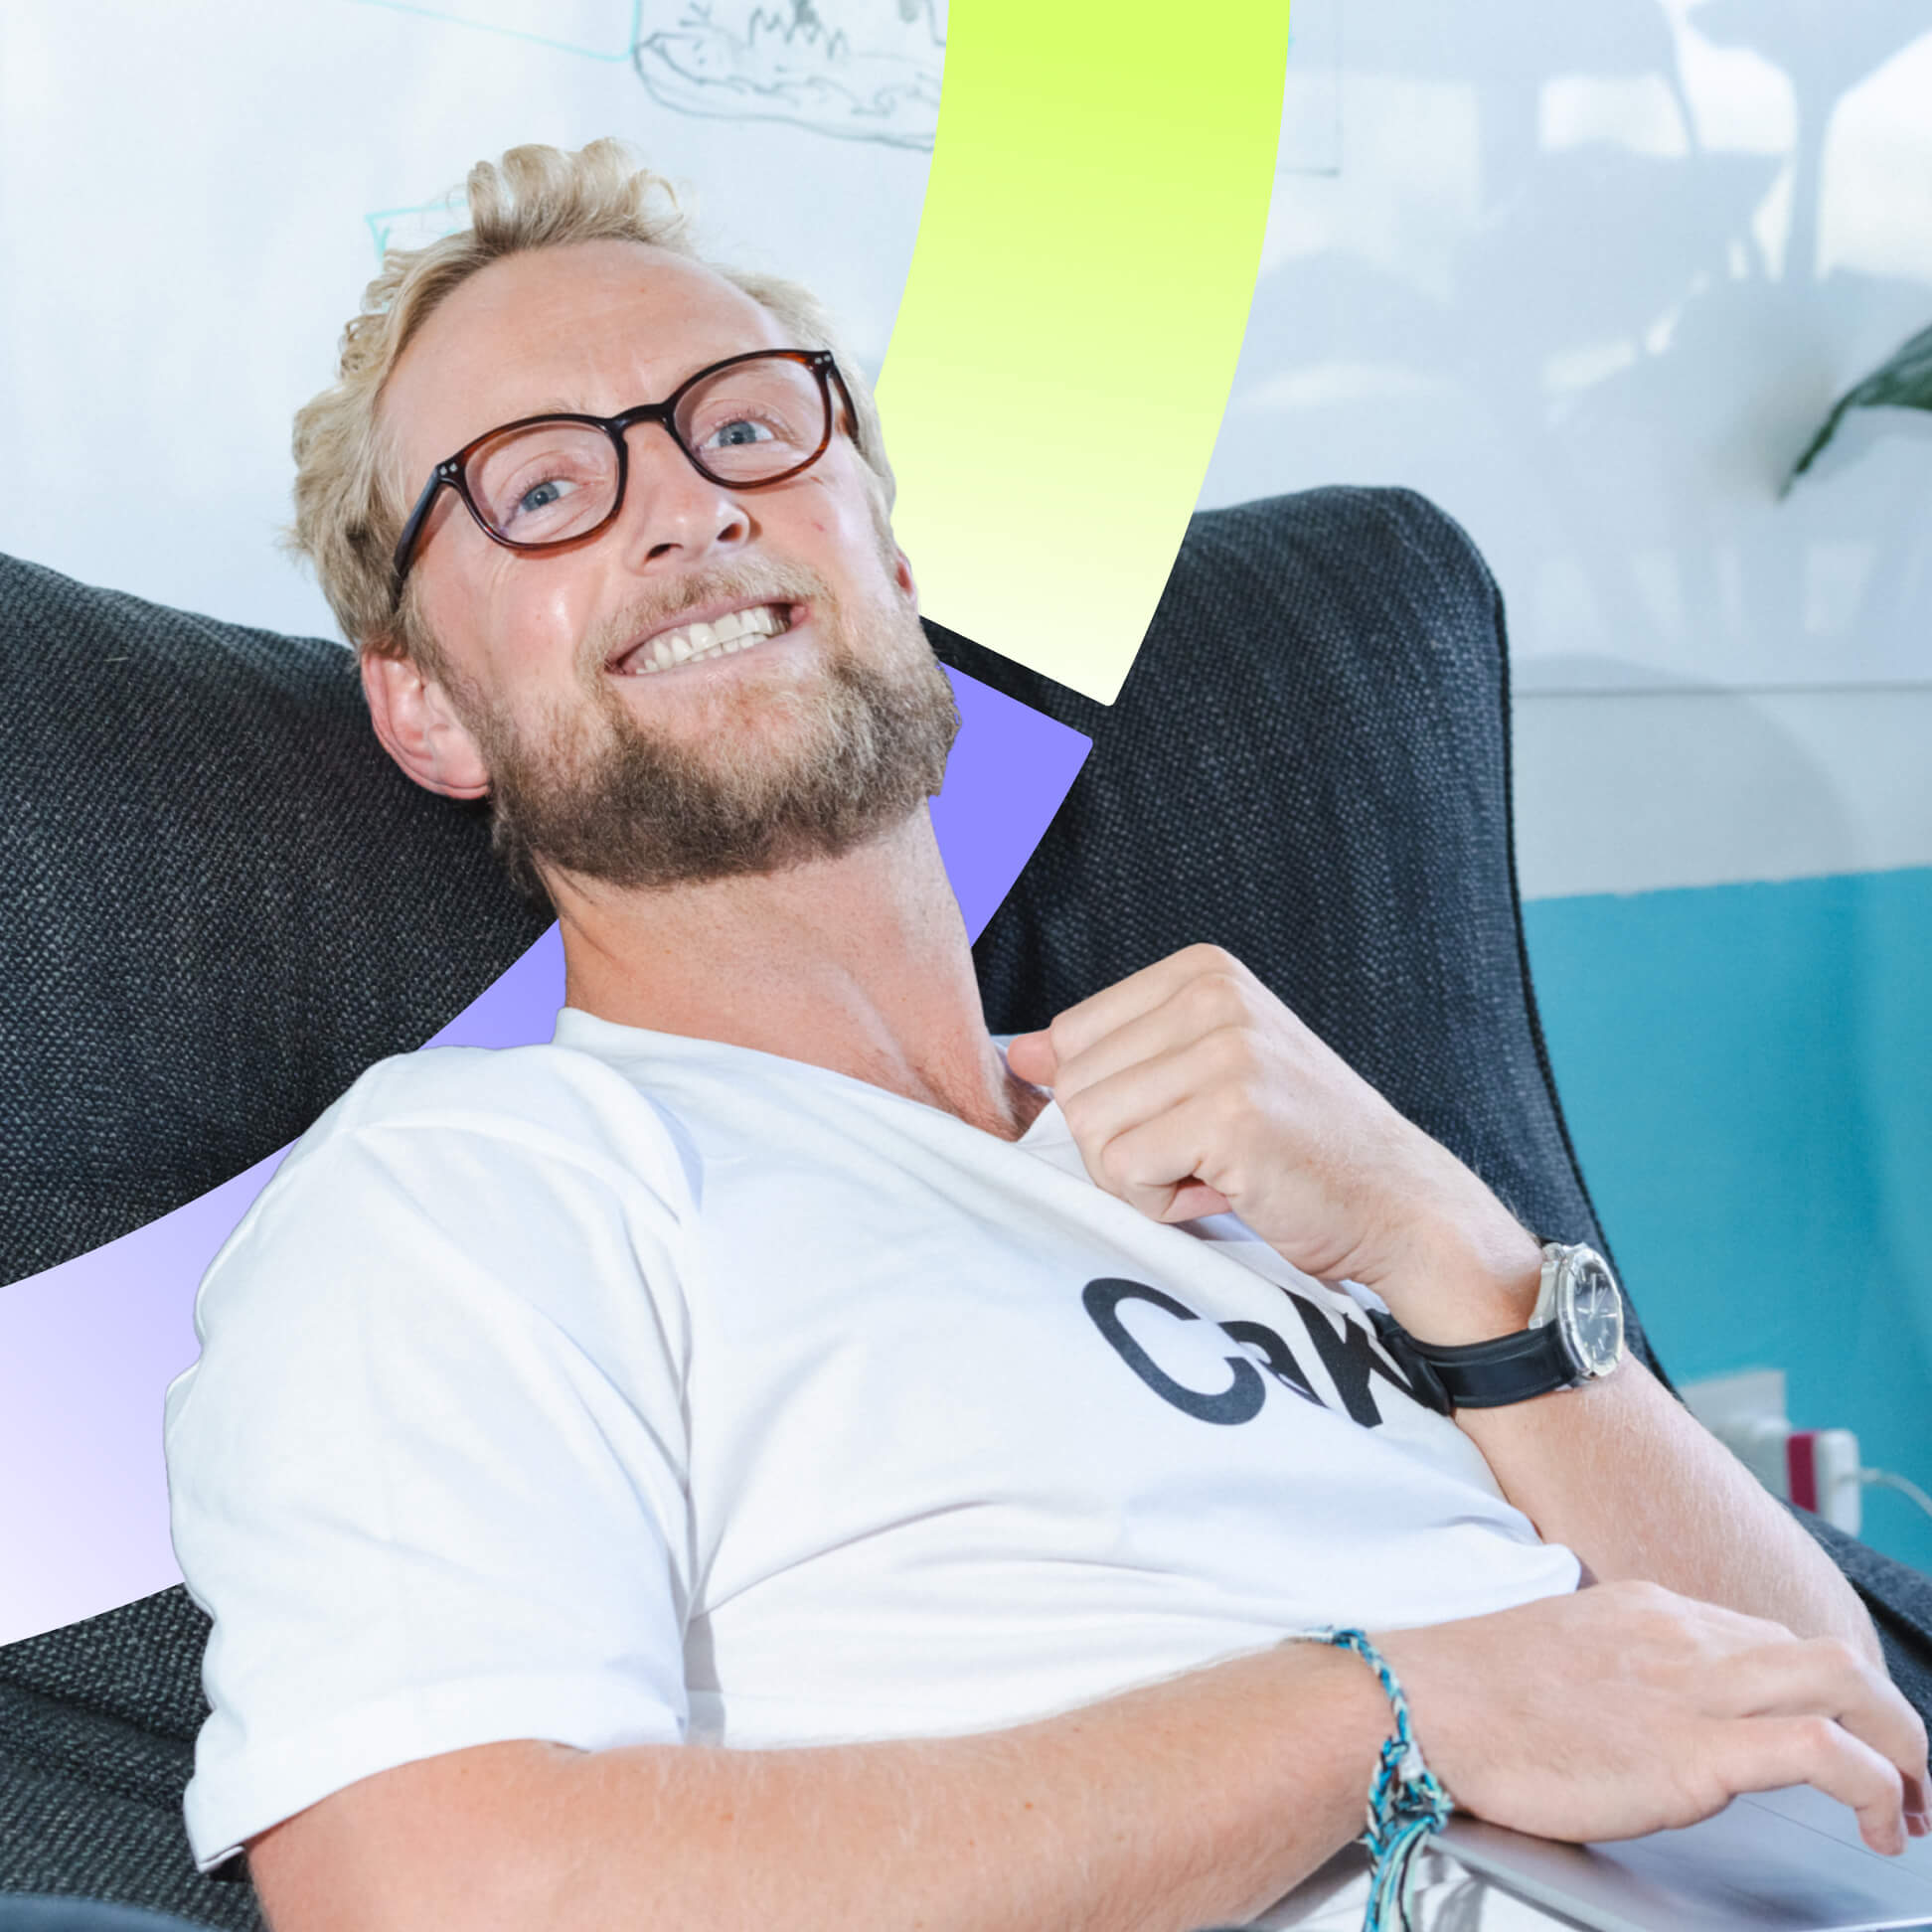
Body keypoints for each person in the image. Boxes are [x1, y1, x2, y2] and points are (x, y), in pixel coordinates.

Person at [161, 139, 1928, 1932]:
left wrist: (1445, 1234)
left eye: (752, 430)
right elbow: (444, 1895)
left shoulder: (1270, 1137)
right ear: (425, 707)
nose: (689, 508)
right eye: (542, 487)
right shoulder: (470, 1190)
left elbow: (1839, 1721)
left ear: (892, 556)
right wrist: (1401, 1707)